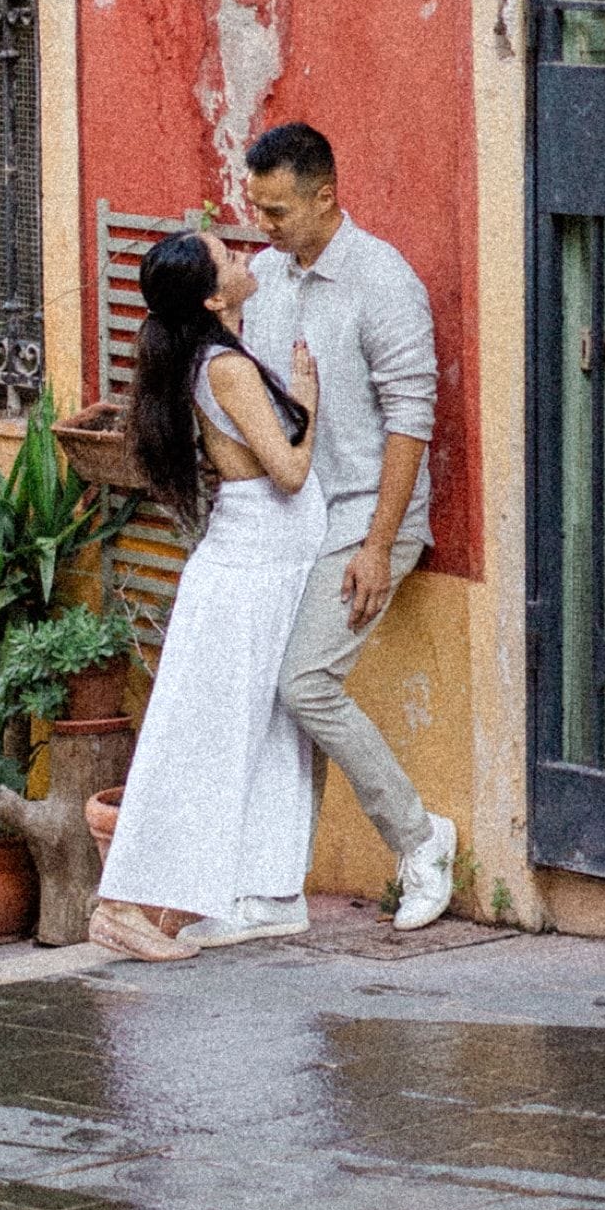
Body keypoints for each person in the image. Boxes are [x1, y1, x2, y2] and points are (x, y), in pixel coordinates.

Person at [239, 119, 459, 932]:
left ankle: (422, 839)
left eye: (278, 211)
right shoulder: (266, 278)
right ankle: (274, 882)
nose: (263, 226)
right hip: (294, 521)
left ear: (327, 197)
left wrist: (377, 544)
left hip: (369, 517)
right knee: (272, 694)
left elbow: (412, 421)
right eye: (256, 208)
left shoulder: (382, 279)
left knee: (304, 683)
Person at [88, 232, 324, 964]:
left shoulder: (212, 357)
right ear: (214, 298)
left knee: (265, 732)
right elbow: (285, 471)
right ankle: (121, 904)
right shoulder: (224, 367)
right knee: (207, 742)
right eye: (227, 258)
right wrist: (310, 405)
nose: (244, 255)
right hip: (250, 571)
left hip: (263, 567)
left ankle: (262, 891)